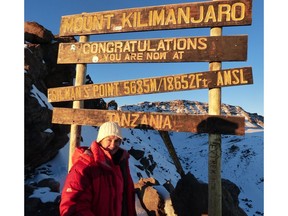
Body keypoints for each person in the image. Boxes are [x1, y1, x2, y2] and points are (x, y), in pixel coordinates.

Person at [59, 121, 136, 216]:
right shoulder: (85, 166)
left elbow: (126, 201)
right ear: (100, 140)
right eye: (109, 140)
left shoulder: (120, 165)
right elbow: (72, 205)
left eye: (117, 141)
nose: (113, 145)